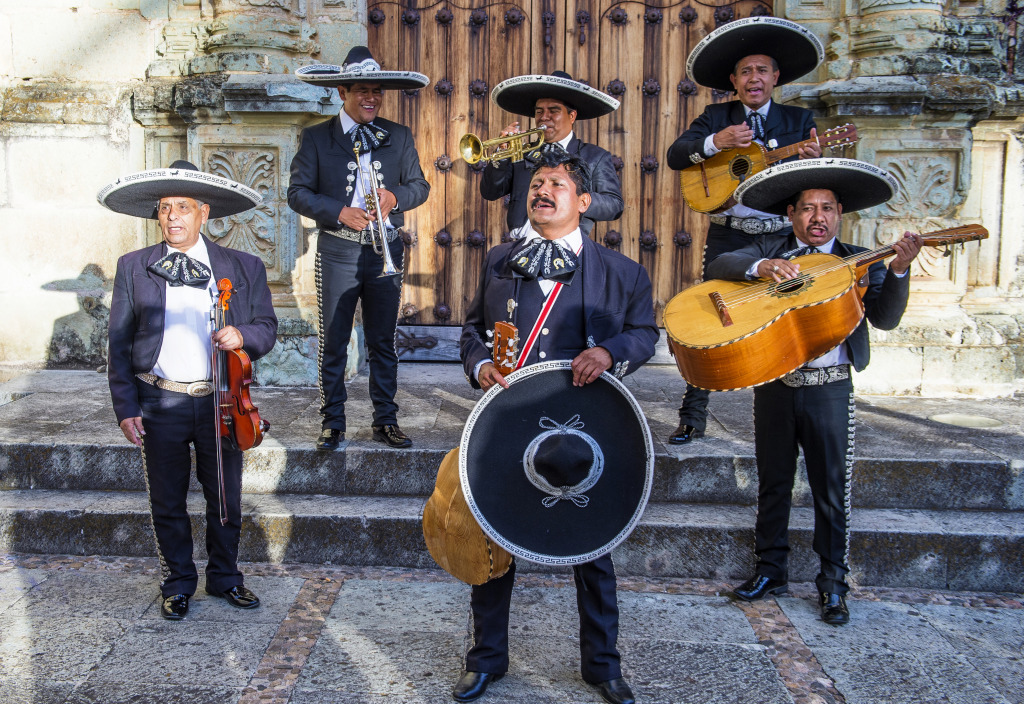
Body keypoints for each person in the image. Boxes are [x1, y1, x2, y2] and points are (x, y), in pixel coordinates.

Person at [455, 151, 659, 704]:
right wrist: (479, 365)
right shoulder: (501, 260)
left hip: (588, 432)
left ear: (584, 202)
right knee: (495, 544)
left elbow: (645, 334)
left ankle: (603, 666)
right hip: (510, 426)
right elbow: (473, 331)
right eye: (538, 183)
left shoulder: (623, 273)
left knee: (594, 548)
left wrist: (612, 352)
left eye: (558, 184)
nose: (543, 190)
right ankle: (486, 660)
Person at [707, 158, 923, 625]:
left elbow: (884, 318)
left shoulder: (861, 261)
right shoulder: (773, 248)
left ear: (840, 212)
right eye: (807, 209)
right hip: (776, 386)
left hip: (830, 388)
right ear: (791, 215)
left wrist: (901, 270)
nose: (817, 217)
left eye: (826, 208)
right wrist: (764, 266)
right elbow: (721, 263)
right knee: (774, 482)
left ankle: (832, 585)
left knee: (830, 490)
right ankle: (771, 570)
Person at [100, 160, 278, 620]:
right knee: (167, 499)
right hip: (160, 400)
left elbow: (266, 328)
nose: (172, 216)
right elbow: (118, 345)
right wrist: (125, 406)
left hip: (220, 400)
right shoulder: (134, 267)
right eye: (164, 209)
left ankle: (225, 577)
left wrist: (242, 336)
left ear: (204, 213)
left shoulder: (243, 266)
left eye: (183, 207)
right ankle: (178, 582)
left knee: (225, 498)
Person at [665, 18, 825, 445]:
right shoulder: (717, 115)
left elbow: (808, 185)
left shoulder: (799, 120)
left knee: (783, 317)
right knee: (711, 316)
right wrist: (717, 141)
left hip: (780, 237)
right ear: (734, 81)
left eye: (762, 70)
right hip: (729, 233)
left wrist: (808, 160)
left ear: (775, 77)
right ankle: (692, 417)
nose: (754, 78)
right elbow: (676, 156)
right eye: (745, 72)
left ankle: (783, 419)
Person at [289, 46, 430, 451]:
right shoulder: (316, 137)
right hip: (338, 248)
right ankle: (333, 422)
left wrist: (395, 197)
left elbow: (420, 186)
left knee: (383, 339)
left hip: (384, 248)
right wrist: (338, 212)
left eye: (376, 92)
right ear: (342, 93)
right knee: (334, 339)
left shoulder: (399, 135)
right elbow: (296, 193)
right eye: (362, 91)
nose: (371, 98)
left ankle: (385, 419)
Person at [482, 71, 622, 238]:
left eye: (553, 111)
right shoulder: (523, 152)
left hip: (569, 249)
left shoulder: (595, 157)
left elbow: (614, 206)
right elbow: (490, 192)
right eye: (539, 111)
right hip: (520, 246)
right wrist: (502, 155)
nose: (544, 117)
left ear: (572, 116)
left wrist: (574, 199)